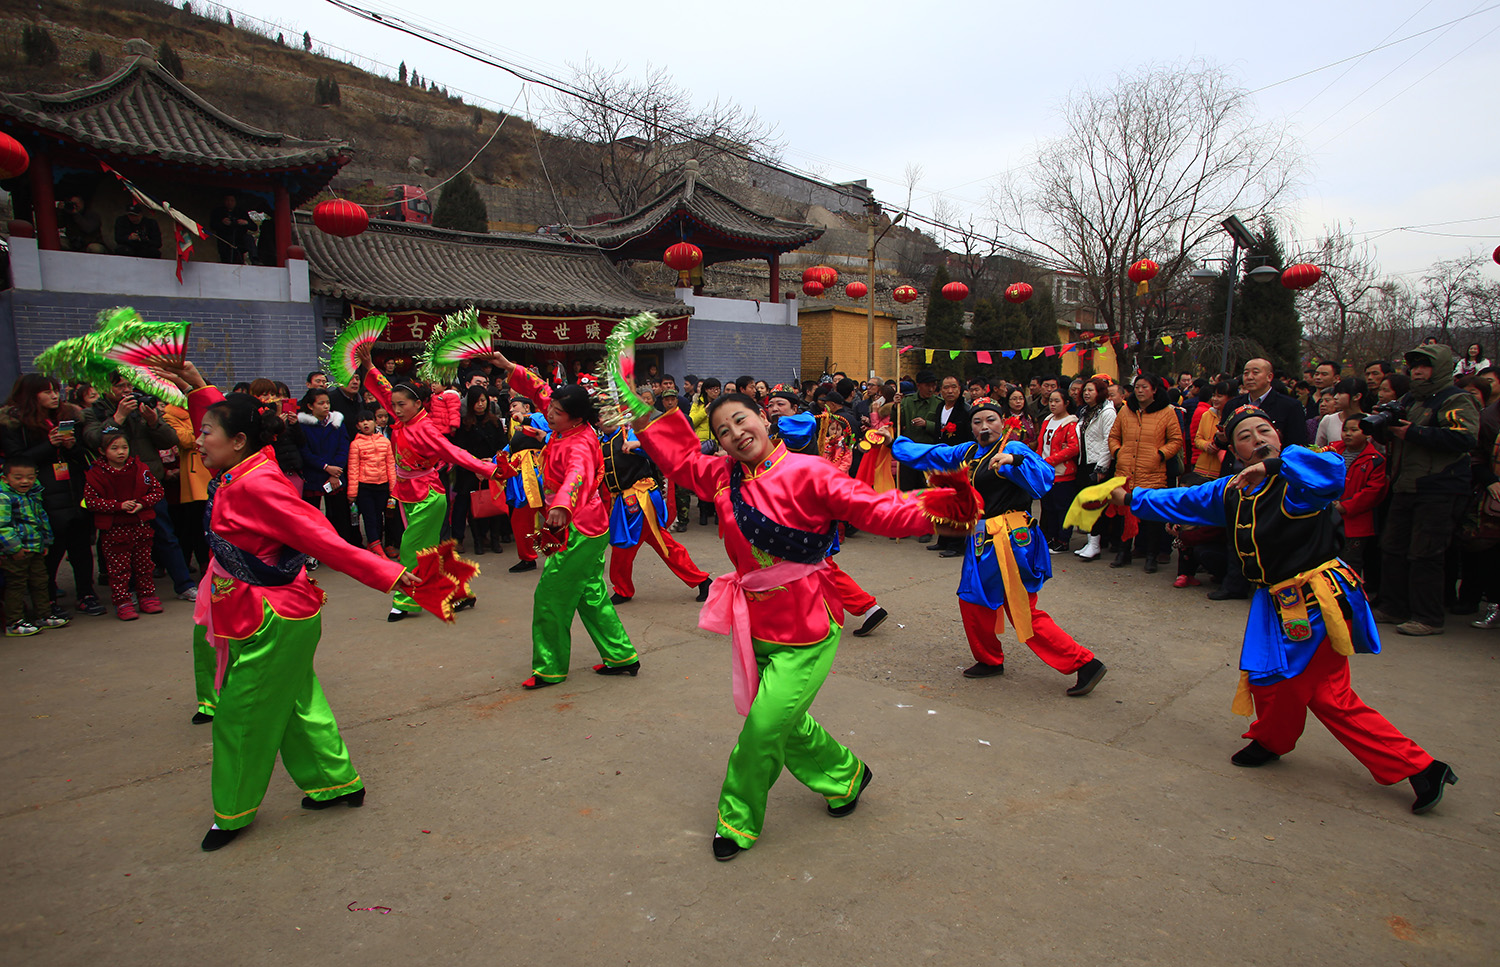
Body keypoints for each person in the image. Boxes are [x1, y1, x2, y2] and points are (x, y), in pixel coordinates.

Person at [633, 389, 965, 862]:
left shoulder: (810, 472)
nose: (735, 434)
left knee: (764, 723)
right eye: (723, 431)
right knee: (782, 720)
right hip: (754, 622)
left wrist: (935, 510)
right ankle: (844, 776)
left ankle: (737, 818)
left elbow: (873, 508)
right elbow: (682, 458)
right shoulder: (723, 477)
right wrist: (633, 400)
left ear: (764, 419)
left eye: (742, 420)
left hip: (807, 627)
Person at [1110, 405, 1457, 815]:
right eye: (1245, 436)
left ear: (1278, 436)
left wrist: (1275, 466)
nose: (1257, 439)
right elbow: (1184, 498)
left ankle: (1417, 765)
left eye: (1264, 431)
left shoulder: (1302, 476)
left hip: (1315, 600)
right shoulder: (1231, 488)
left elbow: (1330, 469)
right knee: (1274, 678)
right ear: (1234, 450)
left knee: (1321, 693)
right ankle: (1274, 740)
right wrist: (1131, 497)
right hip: (1276, 601)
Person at [150, 360, 416, 851]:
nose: (200, 439)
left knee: (241, 715)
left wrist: (391, 574)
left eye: (208, 432)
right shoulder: (245, 465)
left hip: (269, 617)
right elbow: (225, 419)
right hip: (269, 610)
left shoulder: (258, 484)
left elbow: (325, 539)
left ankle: (232, 811)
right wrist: (196, 385)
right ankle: (336, 782)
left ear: (238, 442)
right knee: (295, 702)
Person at [893, 403, 1106, 693]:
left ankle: (1084, 663)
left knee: (1021, 609)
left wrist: (1014, 461)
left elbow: (1044, 478)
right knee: (973, 600)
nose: (984, 426)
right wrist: (894, 442)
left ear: (1002, 422)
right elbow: (929, 454)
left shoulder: (1014, 447)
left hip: (1011, 541)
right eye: (978, 421)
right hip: (982, 541)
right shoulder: (966, 452)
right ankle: (989, 659)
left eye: (991, 420)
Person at [488, 352, 639, 689]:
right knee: (590, 592)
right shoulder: (566, 424)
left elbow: (576, 476)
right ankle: (621, 655)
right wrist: (510, 367)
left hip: (576, 526)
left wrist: (562, 506)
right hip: (578, 521)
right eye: (550, 410)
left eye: (556, 413)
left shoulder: (581, 444)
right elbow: (541, 390)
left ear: (575, 417)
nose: (549, 414)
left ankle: (550, 667)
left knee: (550, 595)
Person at [358, 347, 503, 621]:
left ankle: (404, 602)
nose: (396, 409)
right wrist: (368, 364)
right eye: (395, 405)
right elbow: (383, 391)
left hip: (427, 496)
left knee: (410, 548)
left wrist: (491, 469)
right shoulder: (402, 418)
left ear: (419, 404)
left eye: (402, 405)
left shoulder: (424, 429)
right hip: (407, 493)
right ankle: (458, 593)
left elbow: (456, 454)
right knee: (430, 551)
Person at [1372, 344, 1480, 636]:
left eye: (1424, 366)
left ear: (1442, 368)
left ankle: (1428, 616)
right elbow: (1392, 434)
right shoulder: (1410, 399)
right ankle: (1393, 607)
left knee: (1426, 553)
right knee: (1392, 547)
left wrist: (1414, 432)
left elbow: (1465, 438)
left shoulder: (1456, 399)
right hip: (1406, 484)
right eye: (1414, 367)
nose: (1417, 371)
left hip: (1440, 486)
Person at [767, 391, 890, 637]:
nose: (775, 408)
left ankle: (866, 606)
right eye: (771, 404)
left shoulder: (802, 423)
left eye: (781, 404)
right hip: (786, 508)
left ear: (794, 407)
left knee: (820, 565)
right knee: (800, 565)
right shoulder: (775, 432)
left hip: (806, 509)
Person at [80, 371, 195, 601]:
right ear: (105, 387)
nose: (126, 390)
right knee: (121, 543)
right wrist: (118, 417)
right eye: (120, 386)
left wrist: (153, 421)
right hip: (114, 487)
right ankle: (128, 590)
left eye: (128, 385)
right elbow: (93, 441)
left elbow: (170, 440)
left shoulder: (142, 405)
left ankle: (184, 585)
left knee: (165, 535)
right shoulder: (94, 412)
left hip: (146, 482)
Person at [0, 375, 103, 617]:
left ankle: (86, 594)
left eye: (56, 390)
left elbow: (84, 456)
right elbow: (17, 462)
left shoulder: (69, 416)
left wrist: (70, 446)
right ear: (30, 395)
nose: (55, 396)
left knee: (81, 547)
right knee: (51, 549)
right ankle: (47, 600)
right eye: (47, 392)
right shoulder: (12, 422)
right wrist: (49, 444)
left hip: (74, 489)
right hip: (41, 494)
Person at [601, 417, 711, 606]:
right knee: (663, 544)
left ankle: (623, 589)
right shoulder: (599, 443)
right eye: (603, 415)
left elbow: (659, 451)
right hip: (621, 502)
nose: (607, 418)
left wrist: (639, 444)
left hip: (640, 498)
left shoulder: (630, 434)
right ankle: (702, 581)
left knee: (623, 546)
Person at [84, 428, 164, 621]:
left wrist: (142, 503)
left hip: (140, 526)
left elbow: (157, 491)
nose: (121, 452)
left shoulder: (140, 468)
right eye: (114, 448)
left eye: (124, 447)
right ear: (102, 451)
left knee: (144, 565)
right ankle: (123, 602)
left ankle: (147, 596)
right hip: (114, 529)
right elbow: (91, 501)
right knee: (118, 569)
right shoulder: (96, 474)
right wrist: (118, 506)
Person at [1107, 375, 1183, 572]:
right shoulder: (1126, 410)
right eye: (1137, 387)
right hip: (1125, 470)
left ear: (1154, 390)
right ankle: (1123, 552)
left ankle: (1151, 556)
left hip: (1153, 472)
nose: (1140, 391)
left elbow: (1175, 440)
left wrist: (1160, 454)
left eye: (1144, 387)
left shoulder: (1167, 412)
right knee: (1125, 514)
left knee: (1151, 518)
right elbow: (1114, 435)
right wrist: (1118, 452)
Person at [0, 457, 66, 636]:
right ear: (5, 478)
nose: (25, 481)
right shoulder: (4, 497)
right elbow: (2, 527)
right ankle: (14, 622)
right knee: (16, 585)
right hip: (15, 552)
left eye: (29, 477)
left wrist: (45, 541)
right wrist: (14, 548)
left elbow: (41, 519)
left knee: (40, 582)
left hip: (35, 547)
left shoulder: (33, 494)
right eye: (18, 477)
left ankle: (43, 615)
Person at [449, 386, 506, 556]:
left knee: (491, 504)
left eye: (483, 401)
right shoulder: (464, 423)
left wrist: (492, 460)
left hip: (490, 469)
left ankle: (490, 537)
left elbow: (502, 446)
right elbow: (460, 449)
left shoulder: (494, 422)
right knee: (467, 504)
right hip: (469, 470)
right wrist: (475, 465)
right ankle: (470, 540)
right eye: (477, 401)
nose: (480, 405)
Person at [1328, 415, 1386, 578]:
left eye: (1354, 430)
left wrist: (1345, 506)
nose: (1348, 434)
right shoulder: (1331, 451)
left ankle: (1351, 599)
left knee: (1350, 564)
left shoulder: (1375, 459)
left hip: (1356, 521)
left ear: (1367, 433)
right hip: (1328, 516)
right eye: (1345, 430)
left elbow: (1373, 492)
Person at [296, 388, 353, 546]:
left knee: (339, 513)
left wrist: (335, 472)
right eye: (321, 403)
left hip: (336, 474)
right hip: (314, 475)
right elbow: (305, 452)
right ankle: (315, 548)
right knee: (313, 515)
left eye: (327, 402)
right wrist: (326, 467)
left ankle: (341, 546)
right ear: (310, 406)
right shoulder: (303, 426)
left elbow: (344, 447)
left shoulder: (336, 422)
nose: (326, 406)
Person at [1073, 376, 1117, 562]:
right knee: (1087, 502)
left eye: (1091, 390)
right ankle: (1092, 540)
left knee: (1096, 504)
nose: (1086, 393)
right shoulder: (1085, 411)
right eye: (1085, 390)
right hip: (1084, 460)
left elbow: (1109, 440)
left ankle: (1095, 544)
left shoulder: (1107, 412)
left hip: (1098, 462)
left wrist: (1102, 467)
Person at [346, 410, 396, 557]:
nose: (366, 423)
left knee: (381, 516)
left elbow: (390, 466)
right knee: (369, 517)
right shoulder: (356, 444)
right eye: (362, 421)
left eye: (369, 420)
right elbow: (353, 469)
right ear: (357, 426)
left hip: (383, 485)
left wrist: (392, 488)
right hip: (364, 486)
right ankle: (376, 546)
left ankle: (375, 544)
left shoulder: (385, 441)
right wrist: (352, 493)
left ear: (375, 422)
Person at [1037, 390, 1081, 552]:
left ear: (1066, 403)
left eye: (1057, 401)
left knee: (1062, 508)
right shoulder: (1047, 421)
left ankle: (1063, 539)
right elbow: (1042, 445)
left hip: (1062, 473)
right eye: (1051, 401)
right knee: (1048, 508)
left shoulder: (1070, 423)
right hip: (1046, 472)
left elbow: (1073, 448)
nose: (1053, 404)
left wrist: (1049, 461)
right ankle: (1051, 537)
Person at [208, 192, 255, 264]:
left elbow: (254, 227)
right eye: (227, 200)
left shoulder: (241, 212)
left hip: (239, 239)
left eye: (232, 200)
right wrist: (222, 222)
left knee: (248, 238)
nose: (229, 202)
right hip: (225, 240)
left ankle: (255, 259)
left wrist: (245, 222)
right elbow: (212, 225)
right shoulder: (218, 212)